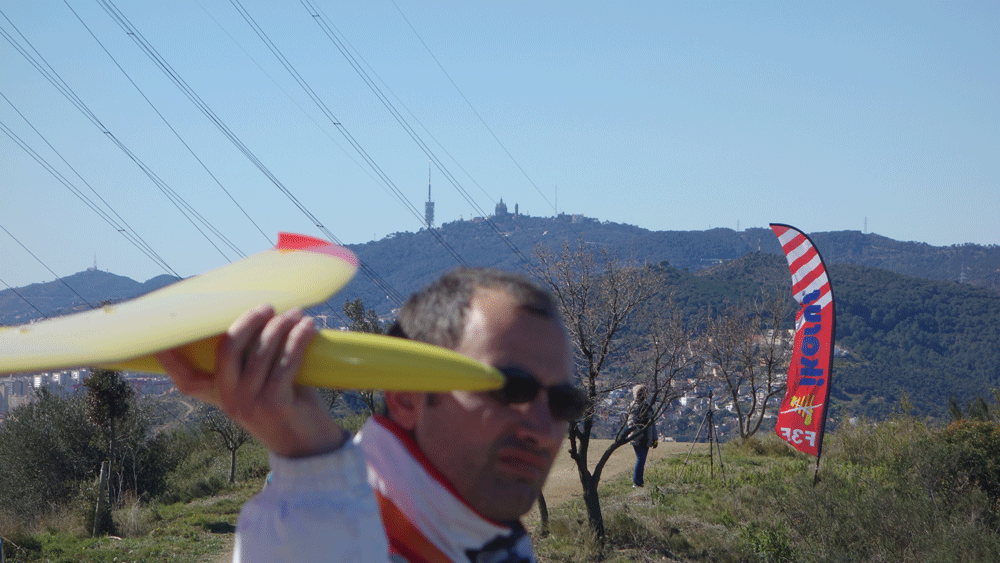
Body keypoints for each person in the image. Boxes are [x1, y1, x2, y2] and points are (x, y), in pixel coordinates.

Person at [157, 267, 587, 563]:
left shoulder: (487, 539)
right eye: (510, 389)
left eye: (562, 404)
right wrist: (312, 474)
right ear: (406, 398)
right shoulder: (314, 532)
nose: (542, 430)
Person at [626, 384, 657, 488]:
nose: (642, 395)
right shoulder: (634, 406)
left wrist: (655, 438)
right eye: (640, 393)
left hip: (647, 438)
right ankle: (637, 482)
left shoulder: (648, 406)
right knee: (641, 459)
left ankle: (640, 481)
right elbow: (631, 423)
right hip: (638, 438)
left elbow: (652, 423)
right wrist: (639, 433)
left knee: (642, 460)